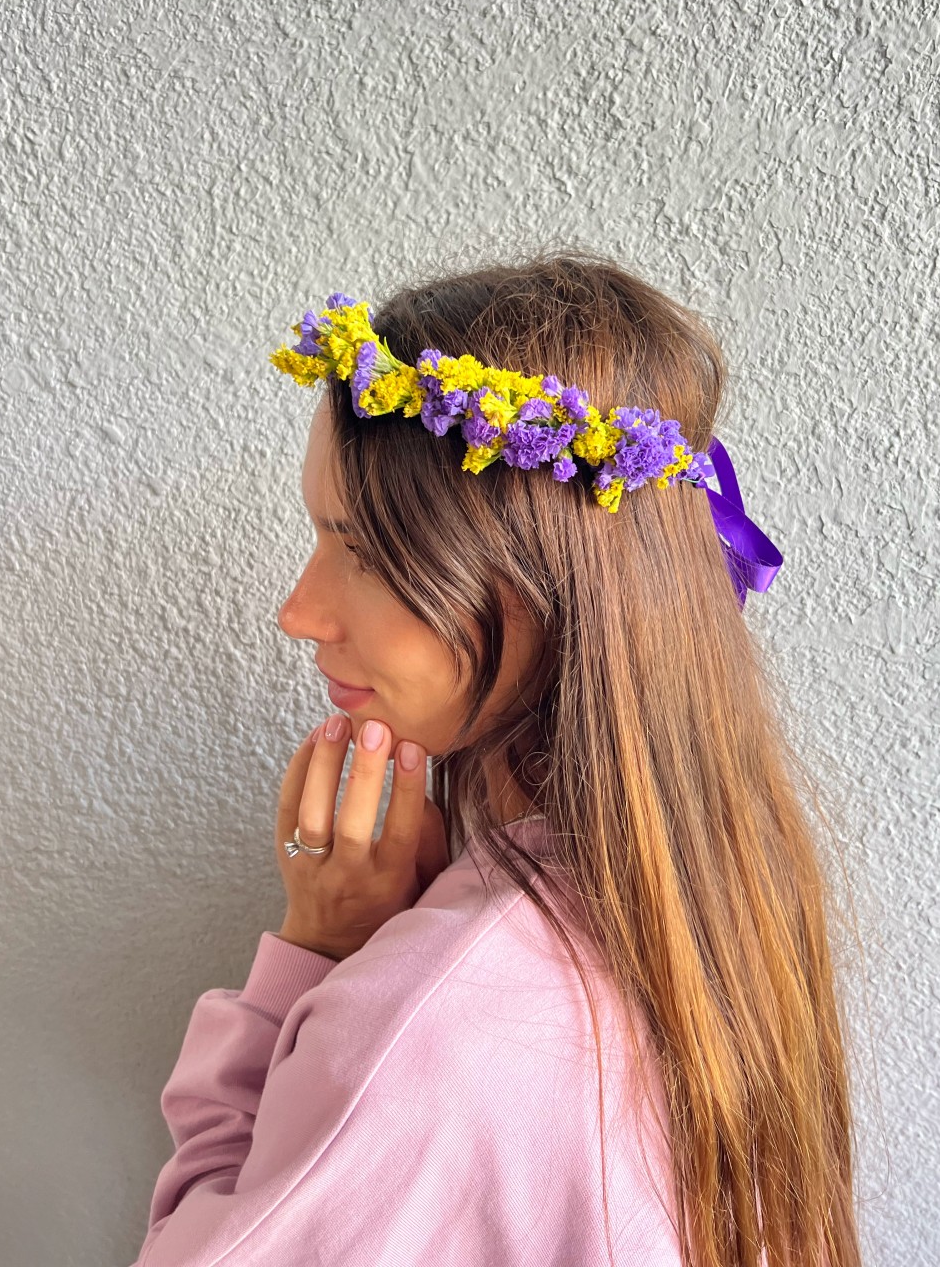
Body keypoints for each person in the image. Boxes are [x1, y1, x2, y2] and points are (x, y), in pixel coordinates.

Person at [130, 250, 863, 1267]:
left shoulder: (435, 1018)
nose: (297, 612)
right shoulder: (721, 891)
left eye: (367, 553)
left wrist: (322, 950)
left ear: (537, 585)